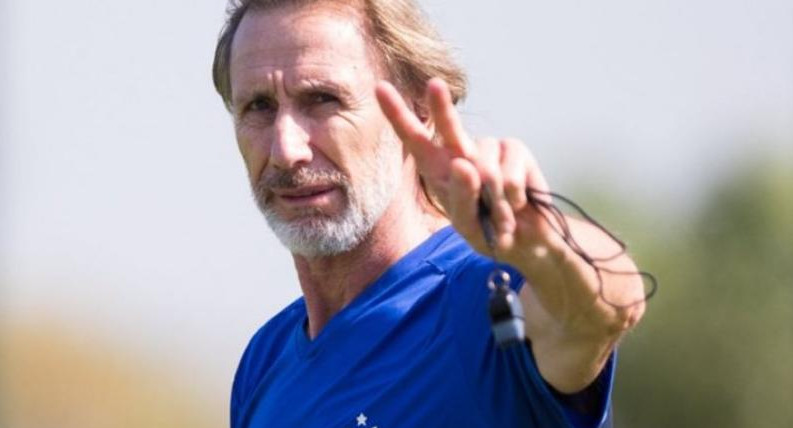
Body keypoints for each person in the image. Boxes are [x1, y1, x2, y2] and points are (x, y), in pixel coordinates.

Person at [211, 0, 646, 426]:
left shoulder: (484, 296)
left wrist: (544, 242)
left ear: (418, 110)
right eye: (259, 107)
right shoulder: (264, 362)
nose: (286, 150)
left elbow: (612, 303)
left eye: (323, 100)